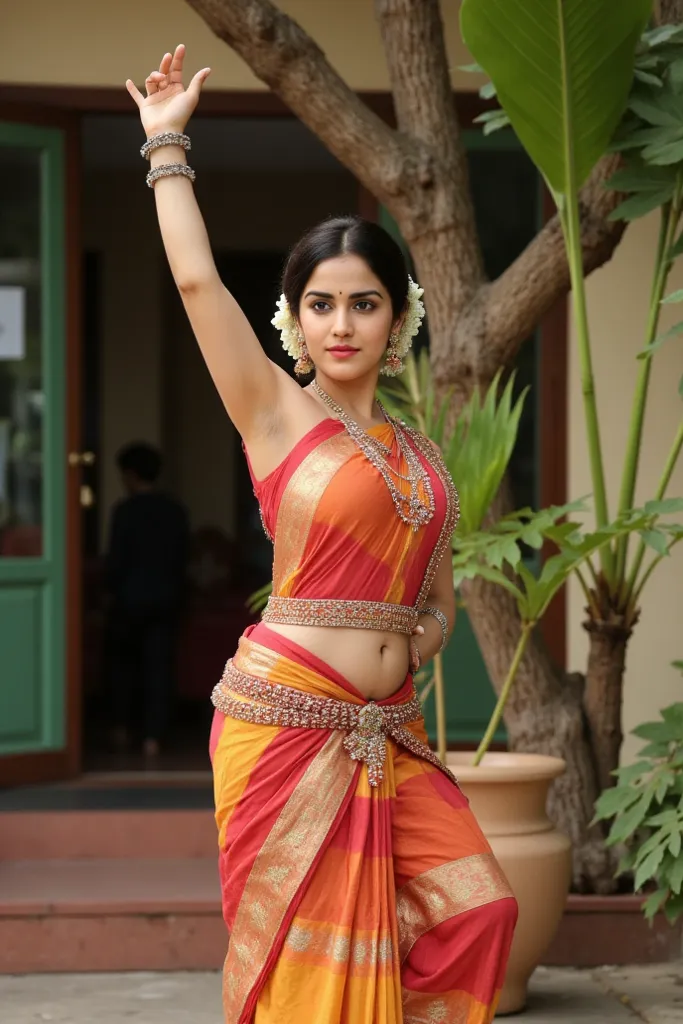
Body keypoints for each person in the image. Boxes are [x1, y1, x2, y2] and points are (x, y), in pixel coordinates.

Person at [126, 45, 518, 1024]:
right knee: (313, 975)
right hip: (285, 724)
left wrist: (415, 642)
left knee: (480, 909)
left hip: (389, 734)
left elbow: (431, 604)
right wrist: (167, 145)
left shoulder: (422, 455)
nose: (341, 323)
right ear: (295, 318)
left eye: (363, 303)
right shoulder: (272, 412)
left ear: (398, 318)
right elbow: (194, 285)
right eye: (320, 303)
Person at [105, 441, 190, 758]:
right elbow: (182, 557)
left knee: (122, 667)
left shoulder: (124, 512)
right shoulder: (175, 511)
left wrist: (107, 593)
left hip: (129, 600)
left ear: (129, 474)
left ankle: (120, 728)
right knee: (159, 668)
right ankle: (154, 737)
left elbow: (116, 561)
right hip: (166, 599)